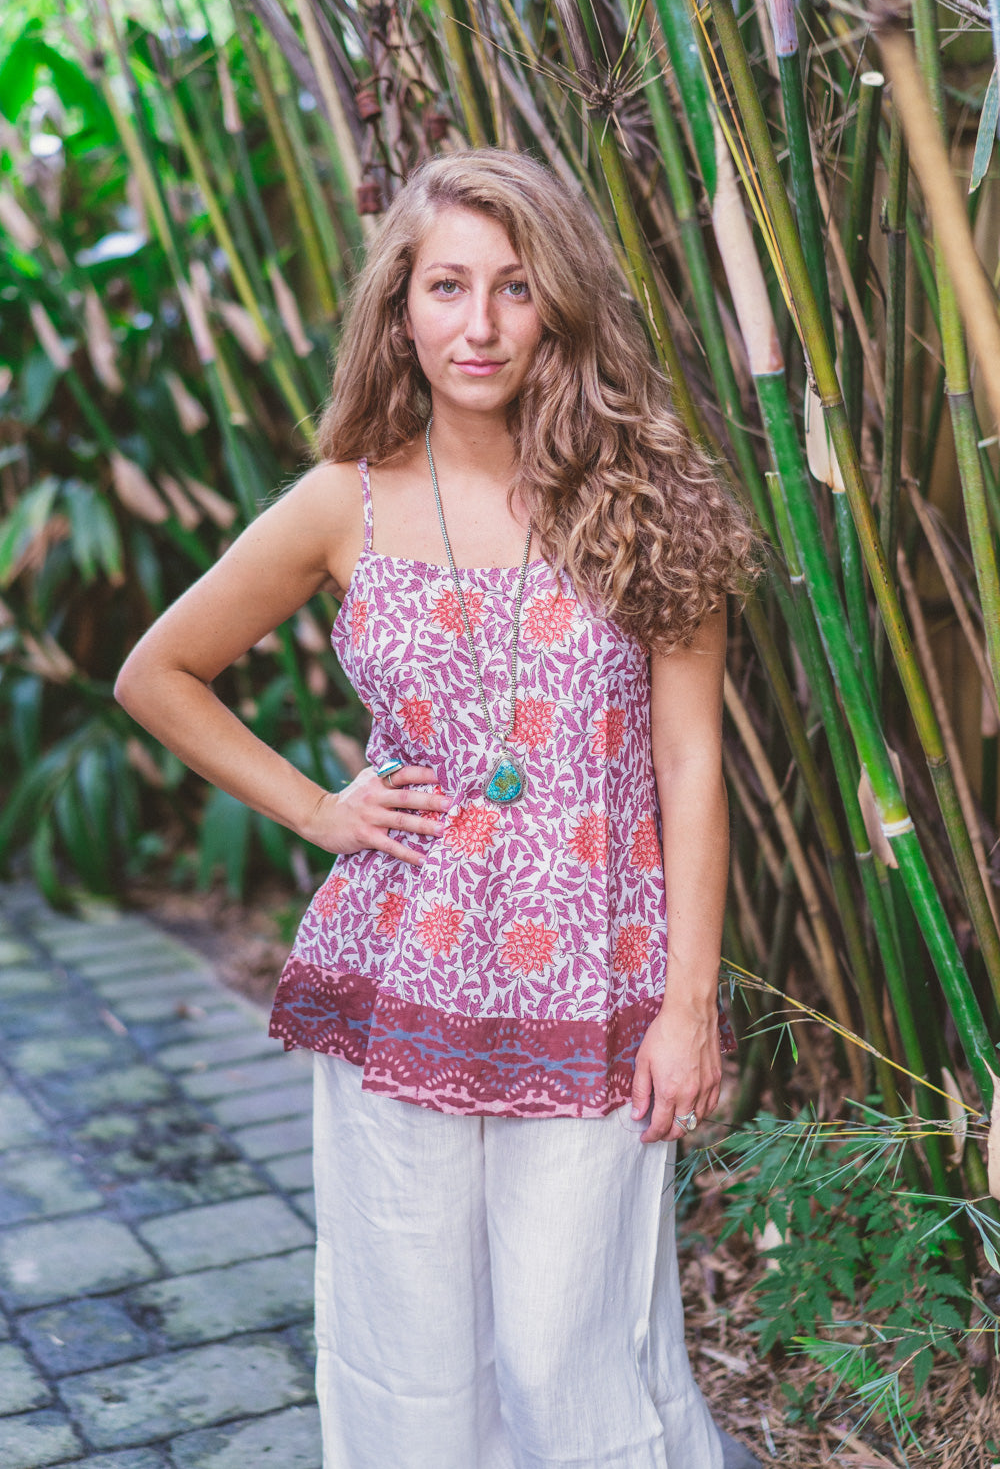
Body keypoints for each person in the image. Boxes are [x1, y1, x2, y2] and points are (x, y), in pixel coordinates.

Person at [115, 148, 762, 1469]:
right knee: (408, 1344)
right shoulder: (341, 504)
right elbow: (157, 673)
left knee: (568, 1350)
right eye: (449, 286)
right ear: (399, 307)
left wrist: (690, 1007)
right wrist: (315, 809)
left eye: (515, 289)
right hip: (403, 973)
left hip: (596, 977)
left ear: (559, 305)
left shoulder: (650, 499)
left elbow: (693, 768)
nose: (480, 325)